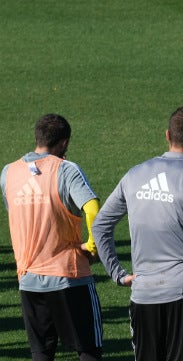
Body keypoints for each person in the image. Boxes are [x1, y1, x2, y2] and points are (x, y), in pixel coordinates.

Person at [91, 106, 183, 361]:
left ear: (167, 135)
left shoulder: (134, 175)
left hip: (143, 295)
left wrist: (118, 274)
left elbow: (101, 225)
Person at [0, 114, 103, 361]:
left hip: (28, 278)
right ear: (64, 143)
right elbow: (92, 208)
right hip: (69, 276)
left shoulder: (8, 173)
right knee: (88, 349)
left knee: (42, 353)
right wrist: (92, 245)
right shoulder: (66, 169)